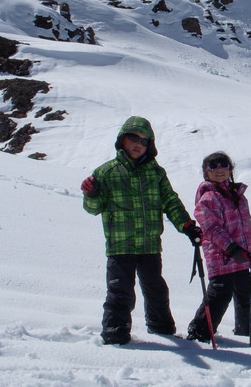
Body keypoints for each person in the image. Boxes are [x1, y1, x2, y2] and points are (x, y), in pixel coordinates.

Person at [80, 116, 202, 345]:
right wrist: (91, 194)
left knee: (156, 289)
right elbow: (93, 209)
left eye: (145, 141)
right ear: (122, 140)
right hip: (120, 246)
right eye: (134, 138)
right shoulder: (106, 172)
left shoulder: (155, 173)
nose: (138, 144)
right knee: (120, 293)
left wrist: (186, 225)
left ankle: (162, 330)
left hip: (149, 245)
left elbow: (170, 201)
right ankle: (115, 335)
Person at [186, 151, 251, 343]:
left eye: (224, 165)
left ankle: (248, 332)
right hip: (222, 257)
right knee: (219, 295)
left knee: (246, 296)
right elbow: (211, 228)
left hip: (241, 257)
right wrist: (231, 248)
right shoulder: (208, 198)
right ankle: (199, 333)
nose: (219, 170)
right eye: (213, 166)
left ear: (231, 170)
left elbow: (246, 228)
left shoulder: (238, 196)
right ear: (206, 172)